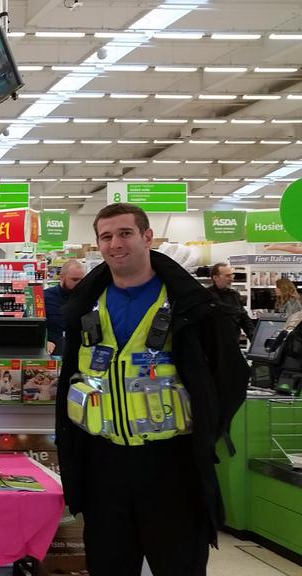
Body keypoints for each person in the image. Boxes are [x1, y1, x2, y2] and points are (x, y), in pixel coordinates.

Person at [55, 204, 248, 576]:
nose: (115, 244)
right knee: (108, 565)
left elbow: (231, 378)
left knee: (179, 565)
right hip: (103, 465)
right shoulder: (85, 306)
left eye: (125, 233)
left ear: (147, 237)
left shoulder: (192, 307)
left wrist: (207, 428)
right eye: (106, 236)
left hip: (172, 465)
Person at [43, 259, 85, 355]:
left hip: (79, 352)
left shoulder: (86, 299)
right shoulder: (45, 297)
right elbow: (32, 326)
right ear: (62, 277)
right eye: (74, 280)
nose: (79, 284)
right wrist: (44, 341)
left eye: (82, 280)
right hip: (53, 352)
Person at [208, 262, 254, 340]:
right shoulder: (206, 296)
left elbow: (244, 318)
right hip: (214, 344)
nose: (232, 279)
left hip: (233, 342)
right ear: (215, 277)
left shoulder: (234, 294)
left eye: (232, 275)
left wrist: (253, 337)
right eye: (228, 276)